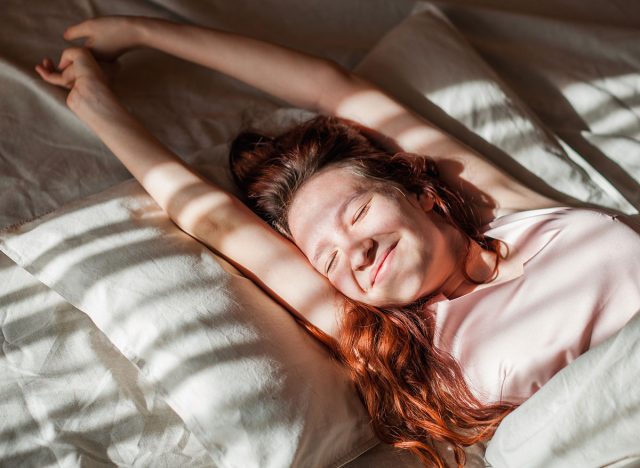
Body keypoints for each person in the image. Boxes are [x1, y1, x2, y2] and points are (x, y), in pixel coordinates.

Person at [35, 15, 640, 468]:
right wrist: (96, 107)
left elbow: (333, 88)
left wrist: (143, 31)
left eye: (357, 215)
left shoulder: (507, 207)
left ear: (423, 192)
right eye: (328, 257)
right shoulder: (406, 343)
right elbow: (214, 220)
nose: (354, 252)